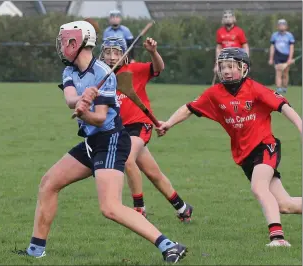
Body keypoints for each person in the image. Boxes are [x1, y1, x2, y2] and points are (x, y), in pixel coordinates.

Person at [14, 20, 187, 263]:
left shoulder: (104, 74)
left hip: (111, 140)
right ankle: (35, 250)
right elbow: (69, 98)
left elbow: (100, 118)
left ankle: (169, 245)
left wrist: (86, 112)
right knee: (49, 183)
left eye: (67, 41)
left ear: (80, 43)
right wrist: (80, 100)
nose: (63, 46)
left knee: (110, 207)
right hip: (91, 142)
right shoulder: (70, 71)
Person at [156, 47, 302, 247]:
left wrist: (301, 127)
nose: (226, 70)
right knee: (285, 204)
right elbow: (189, 108)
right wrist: (169, 123)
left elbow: (283, 106)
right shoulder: (215, 94)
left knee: (259, 187)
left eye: (231, 66)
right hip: (245, 156)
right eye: (223, 66)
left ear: (243, 69)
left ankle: (278, 238)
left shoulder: (255, 88)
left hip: (265, 146)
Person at [99, 36, 193, 221]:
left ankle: (139, 209)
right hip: (120, 129)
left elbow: (158, 68)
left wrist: (153, 52)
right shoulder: (100, 77)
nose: (112, 56)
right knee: (153, 173)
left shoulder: (134, 70)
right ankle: (183, 208)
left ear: (124, 54)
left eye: (116, 52)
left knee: (126, 159)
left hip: (139, 124)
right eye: (108, 52)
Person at [214, 10, 249, 74]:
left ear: (233, 18)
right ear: (223, 19)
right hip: (225, 59)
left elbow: (245, 46)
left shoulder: (239, 31)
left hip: (236, 59)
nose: (228, 19)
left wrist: (246, 60)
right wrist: (217, 63)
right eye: (226, 17)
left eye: (230, 17)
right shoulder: (219, 31)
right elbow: (218, 48)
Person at [268, 19, 295, 94]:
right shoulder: (274, 35)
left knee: (285, 73)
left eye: (283, 25)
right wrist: (271, 58)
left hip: (286, 56)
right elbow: (272, 47)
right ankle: (279, 88)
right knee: (278, 72)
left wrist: (290, 58)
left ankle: (284, 87)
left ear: (286, 26)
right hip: (277, 56)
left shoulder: (289, 36)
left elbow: (291, 48)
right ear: (278, 26)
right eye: (280, 25)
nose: (281, 26)